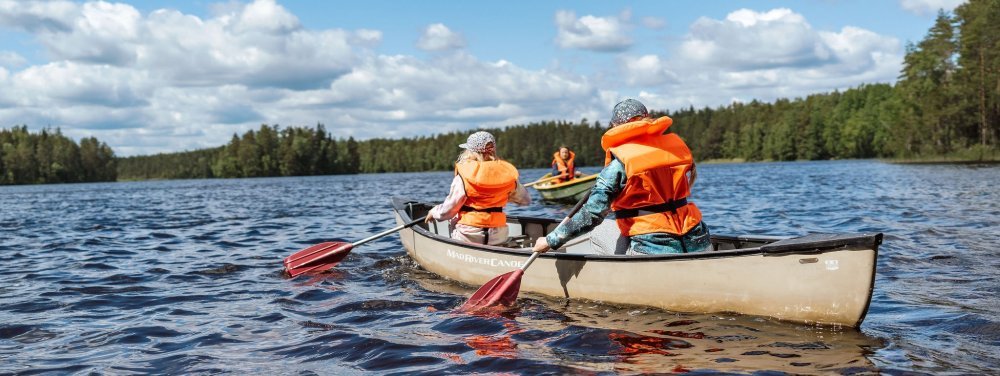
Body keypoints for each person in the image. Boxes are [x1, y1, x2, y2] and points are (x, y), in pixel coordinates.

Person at [533, 99, 710, 255]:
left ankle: (614, 279)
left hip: (655, 249)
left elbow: (591, 215)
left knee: (598, 229)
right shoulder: (673, 150)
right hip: (698, 242)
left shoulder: (619, 164)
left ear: (616, 126)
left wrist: (550, 240)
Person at [425, 131, 531, 246]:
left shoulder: (465, 175)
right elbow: (525, 200)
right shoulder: (507, 176)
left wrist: (434, 212)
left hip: (468, 235)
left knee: (454, 217)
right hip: (498, 235)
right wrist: (504, 194)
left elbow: (448, 212)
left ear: (471, 151)